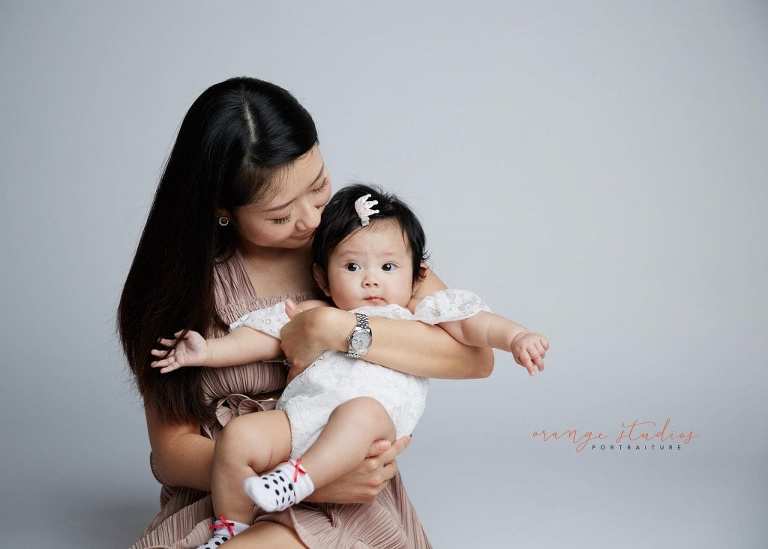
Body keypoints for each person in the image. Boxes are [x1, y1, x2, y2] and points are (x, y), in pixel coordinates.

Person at [118, 76, 524, 548]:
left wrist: (337, 326)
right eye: (279, 215)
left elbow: (473, 358)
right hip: (227, 483)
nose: (310, 220)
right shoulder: (175, 287)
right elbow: (170, 452)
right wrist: (283, 478)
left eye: (318, 187)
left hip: (344, 474)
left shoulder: (358, 245)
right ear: (222, 210)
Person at [149, 184, 550, 548]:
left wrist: (516, 337)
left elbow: (473, 324)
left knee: (360, 413)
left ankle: (297, 479)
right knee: (238, 436)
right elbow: (259, 337)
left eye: (388, 268)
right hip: (299, 421)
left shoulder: (417, 310)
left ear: (417, 275)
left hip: (365, 431)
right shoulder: (311, 311)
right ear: (323, 279)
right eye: (353, 268)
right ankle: (229, 528)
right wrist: (206, 353)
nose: (371, 280)